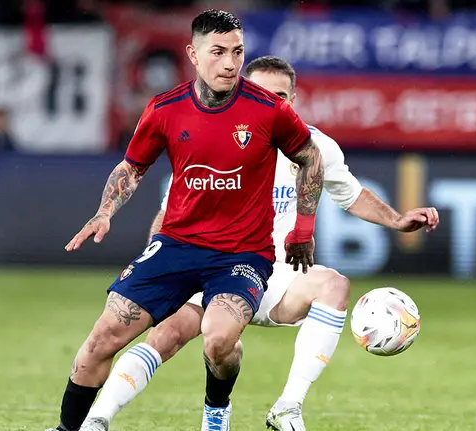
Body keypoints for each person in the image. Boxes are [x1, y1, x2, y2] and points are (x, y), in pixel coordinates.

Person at [80, 56, 440, 431]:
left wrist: (397, 220)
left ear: (294, 99)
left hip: (273, 274)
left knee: (334, 285)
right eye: (261, 94)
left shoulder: (315, 147)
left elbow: (351, 194)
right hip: (209, 264)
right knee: (176, 338)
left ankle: (288, 406)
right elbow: (170, 212)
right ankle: (99, 419)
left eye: (281, 96)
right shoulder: (213, 140)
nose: (273, 104)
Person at [46, 11, 324, 431]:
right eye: (218, 53)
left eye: (237, 52)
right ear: (193, 54)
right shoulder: (164, 109)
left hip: (242, 253)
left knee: (218, 339)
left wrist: (303, 228)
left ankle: (216, 410)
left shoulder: (268, 110)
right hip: (176, 246)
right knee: (102, 339)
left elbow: (310, 157)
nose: (230, 63)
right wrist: (105, 211)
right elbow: (131, 168)